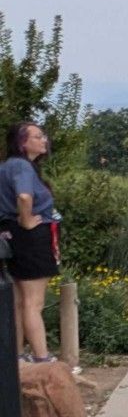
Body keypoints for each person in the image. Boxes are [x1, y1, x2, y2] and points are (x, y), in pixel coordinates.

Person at [2, 123, 61, 365]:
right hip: (31, 237)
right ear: (22, 143)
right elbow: (24, 196)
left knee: (18, 300)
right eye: (38, 136)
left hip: (10, 234)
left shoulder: (8, 167)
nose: (44, 140)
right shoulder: (22, 166)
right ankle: (41, 357)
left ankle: (16, 357)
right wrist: (26, 220)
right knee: (33, 302)